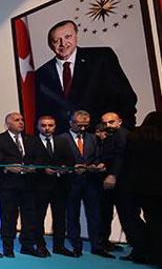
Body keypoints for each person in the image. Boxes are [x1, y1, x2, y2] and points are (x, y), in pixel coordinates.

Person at [35, 20, 137, 134]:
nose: (63, 43)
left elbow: (126, 98)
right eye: (56, 40)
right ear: (50, 45)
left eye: (68, 37)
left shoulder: (101, 58)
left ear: (76, 36)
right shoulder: (41, 74)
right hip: (65, 141)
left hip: (103, 136)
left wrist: (120, 132)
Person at [57, 110, 113, 258]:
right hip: (70, 182)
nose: (82, 128)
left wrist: (97, 165)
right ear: (71, 123)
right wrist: (71, 167)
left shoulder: (92, 138)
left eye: (85, 125)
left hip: (91, 182)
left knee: (95, 215)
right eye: (79, 125)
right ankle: (76, 246)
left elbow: (98, 157)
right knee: (72, 215)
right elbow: (58, 161)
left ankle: (97, 246)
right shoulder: (61, 139)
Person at [0, 112, 40, 258]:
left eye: (22, 119)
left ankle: (27, 245)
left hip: (28, 183)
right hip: (8, 184)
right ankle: (8, 246)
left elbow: (38, 158)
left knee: (29, 215)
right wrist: (7, 167)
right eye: (16, 120)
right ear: (8, 124)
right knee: (8, 216)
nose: (21, 122)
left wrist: (33, 167)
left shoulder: (31, 139)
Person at [98, 112, 145, 256]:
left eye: (111, 122)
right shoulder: (109, 136)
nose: (108, 125)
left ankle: (140, 249)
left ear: (120, 122)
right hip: (112, 182)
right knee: (107, 214)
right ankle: (106, 243)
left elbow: (121, 156)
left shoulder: (123, 135)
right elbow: (110, 156)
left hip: (123, 183)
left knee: (128, 216)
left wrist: (112, 174)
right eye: (105, 123)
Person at [29, 115, 75, 257]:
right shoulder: (31, 142)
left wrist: (64, 168)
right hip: (39, 186)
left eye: (50, 125)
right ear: (38, 127)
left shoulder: (62, 141)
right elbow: (29, 162)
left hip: (59, 185)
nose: (47, 128)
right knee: (39, 217)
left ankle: (59, 246)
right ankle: (40, 245)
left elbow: (70, 161)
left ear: (55, 126)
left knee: (60, 217)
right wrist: (43, 169)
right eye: (43, 125)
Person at [124, 111, 162, 267]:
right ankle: (156, 256)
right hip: (158, 188)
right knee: (157, 222)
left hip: (137, 186)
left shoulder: (134, 137)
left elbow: (127, 161)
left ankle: (141, 251)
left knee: (135, 219)